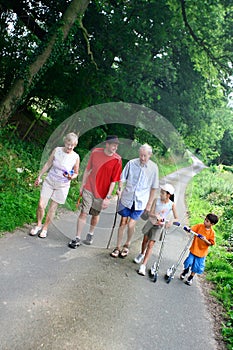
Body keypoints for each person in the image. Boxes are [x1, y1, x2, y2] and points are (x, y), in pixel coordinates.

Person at [68, 135, 122, 248]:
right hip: (89, 187)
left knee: (95, 214)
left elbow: (113, 181)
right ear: (107, 144)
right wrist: (82, 185)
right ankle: (77, 237)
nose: (115, 147)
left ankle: (90, 233)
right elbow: (88, 169)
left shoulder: (117, 160)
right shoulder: (96, 152)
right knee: (84, 212)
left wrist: (107, 197)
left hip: (102, 193)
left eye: (117, 146)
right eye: (113, 145)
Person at [110, 143, 159, 259]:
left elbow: (154, 188)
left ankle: (127, 244)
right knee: (123, 222)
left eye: (145, 156)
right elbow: (122, 178)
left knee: (131, 224)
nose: (142, 158)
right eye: (141, 155)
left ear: (150, 155)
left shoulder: (153, 168)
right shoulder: (131, 163)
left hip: (141, 201)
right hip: (127, 198)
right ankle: (117, 247)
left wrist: (149, 204)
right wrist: (120, 189)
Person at [30, 132, 80, 238]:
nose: (70, 147)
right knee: (41, 205)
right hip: (50, 181)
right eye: (68, 144)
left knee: (52, 208)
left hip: (63, 185)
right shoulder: (57, 150)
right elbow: (48, 163)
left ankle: (45, 228)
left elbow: (76, 173)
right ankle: (38, 224)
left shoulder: (75, 157)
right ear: (65, 142)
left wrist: (71, 177)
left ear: (75, 145)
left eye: (72, 145)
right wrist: (39, 176)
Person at [134, 183, 178, 276]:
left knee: (150, 244)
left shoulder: (171, 205)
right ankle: (142, 254)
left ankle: (143, 265)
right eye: (161, 192)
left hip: (159, 226)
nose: (161, 194)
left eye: (163, 193)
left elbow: (176, 217)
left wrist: (170, 222)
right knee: (145, 240)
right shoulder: (156, 200)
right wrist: (156, 216)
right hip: (151, 222)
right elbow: (150, 213)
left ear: (168, 195)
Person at [180, 213, 219, 286]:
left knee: (196, 266)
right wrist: (188, 229)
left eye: (207, 221)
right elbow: (192, 229)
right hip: (194, 249)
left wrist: (205, 240)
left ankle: (190, 277)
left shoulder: (212, 233)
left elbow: (211, 243)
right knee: (188, 262)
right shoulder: (200, 226)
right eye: (205, 220)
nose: (205, 222)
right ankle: (185, 271)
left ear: (212, 224)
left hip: (201, 253)